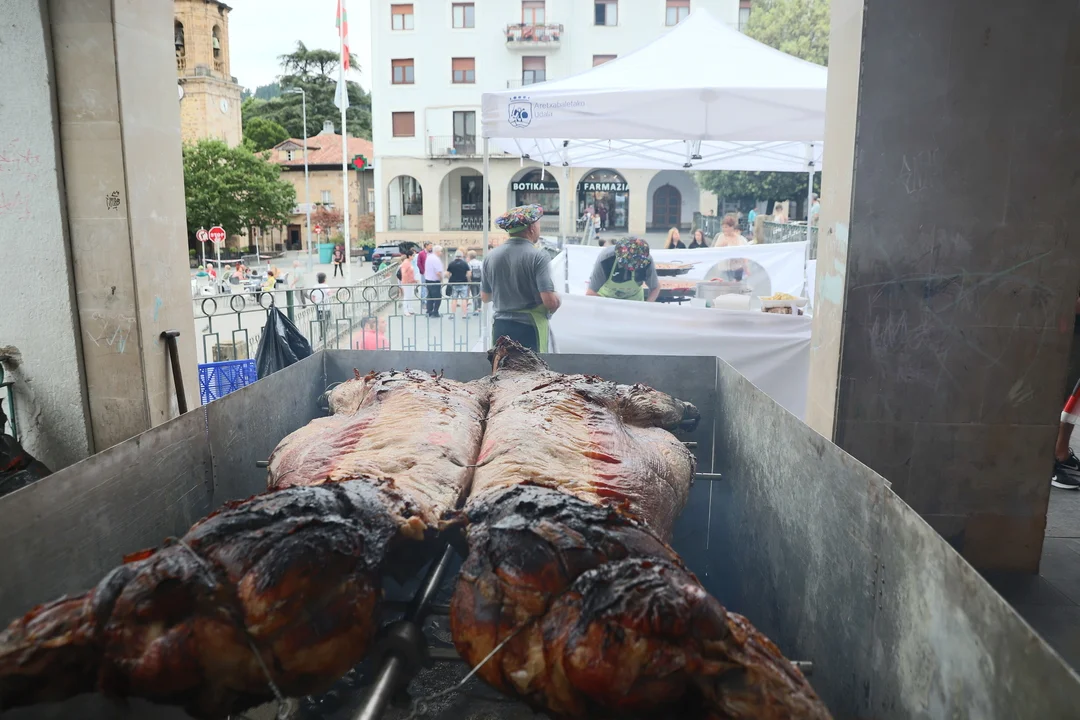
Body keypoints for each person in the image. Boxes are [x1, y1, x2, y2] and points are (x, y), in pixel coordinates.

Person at [483, 204, 560, 352]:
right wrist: (557, 300)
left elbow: (485, 297)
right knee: (531, 367)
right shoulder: (538, 256)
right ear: (532, 228)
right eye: (538, 224)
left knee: (503, 365)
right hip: (529, 329)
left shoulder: (490, 257)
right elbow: (550, 302)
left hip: (500, 328)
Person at [586, 236, 661, 302]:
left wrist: (646, 307)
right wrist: (607, 306)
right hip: (606, 299)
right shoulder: (606, 259)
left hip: (634, 302)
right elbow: (591, 293)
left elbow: (655, 287)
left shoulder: (646, 260)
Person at [713, 214, 751, 281]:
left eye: (726, 227)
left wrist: (746, 268)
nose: (724, 229)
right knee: (724, 285)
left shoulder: (740, 239)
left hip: (737, 269)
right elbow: (714, 252)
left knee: (735, 286)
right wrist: (721, 246)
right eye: (723, 227)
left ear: (732, 227)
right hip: (724, 268)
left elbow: (745, 254)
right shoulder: (720, 237)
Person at [446, 250, 471, 319]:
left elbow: (447, 274)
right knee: (464, 299)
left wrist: (450, 278)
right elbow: (469, 273)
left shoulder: (451, 263)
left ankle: (452, 314)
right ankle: (464, 315)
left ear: (455, 256)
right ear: (462, 256)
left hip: (454, 283)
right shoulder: (465, 263)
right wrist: (468, 280)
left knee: (454, 299)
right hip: (463, 283)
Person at [423, 244, 446, 317]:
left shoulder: (429, 257)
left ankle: (429, 311)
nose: (441, 253)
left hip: (428, 279)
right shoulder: (436, 259)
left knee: (430, 296)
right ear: (437, 251)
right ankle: (435, 312)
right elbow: (438, 272)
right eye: (441, 251)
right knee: (437, 297)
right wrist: (441, 279)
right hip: (434, 280)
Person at [399, 246, 419, 315]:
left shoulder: (409, 262)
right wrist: (407, 280)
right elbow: (404, 273)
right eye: (413, 255)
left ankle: (410, 309)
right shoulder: (406, 263)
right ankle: (405, 310)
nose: (413, 257)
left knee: (410, 296)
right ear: (409, 256)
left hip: (410, 282)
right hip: (406, 282)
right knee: (407, 296)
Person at [467, 250, 483, 314]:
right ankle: (479, 307)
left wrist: (469, 280)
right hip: (479, 280)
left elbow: (469, 273)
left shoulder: (469, 263)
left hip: (473, 280)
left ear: (469, 256)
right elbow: (482, 271)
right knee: (479, 294)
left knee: (474, 294)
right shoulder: (480, 262)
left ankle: (475, 309)